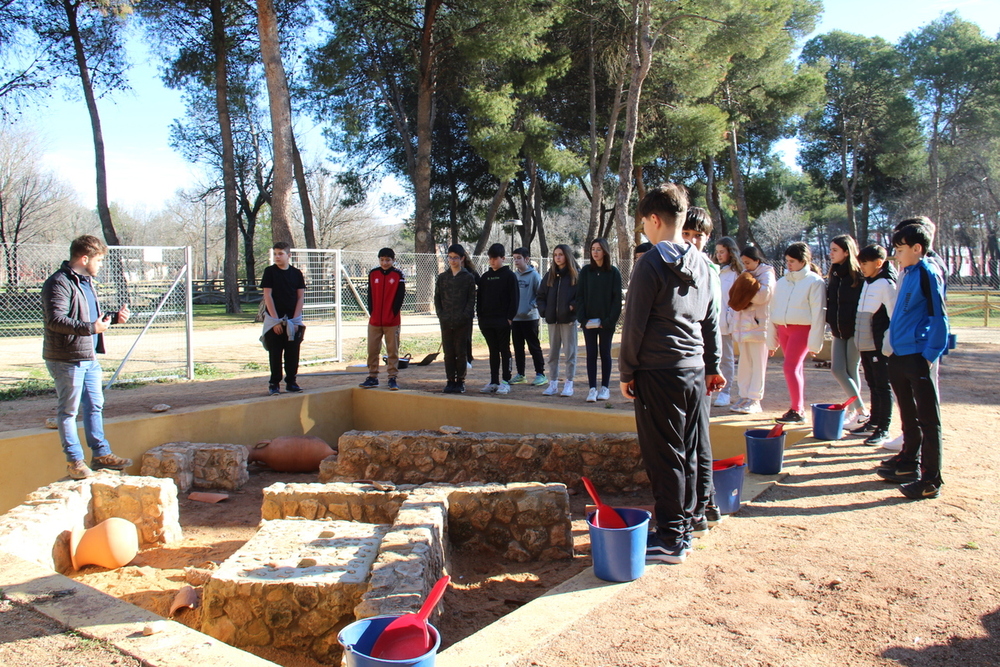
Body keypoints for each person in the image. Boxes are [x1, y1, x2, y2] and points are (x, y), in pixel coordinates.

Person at [619, 183, 723, 563]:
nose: (642, 231)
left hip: (658, 370)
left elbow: (634, 325)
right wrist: (713, 365)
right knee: (690, 449)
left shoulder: (650, 263)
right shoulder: (702, 263)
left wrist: (627, 370)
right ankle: (687, 524)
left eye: (642, 223)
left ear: (654, 219)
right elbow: (711, 321)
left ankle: (671, 538)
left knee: (665, 455)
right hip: (693, 369)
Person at [42, 235, 134, 479]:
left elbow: (89, 315)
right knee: (69, 411)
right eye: (99, 260)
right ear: (85, 258)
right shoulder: (58, 283)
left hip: (88, 356)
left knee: (94, 405)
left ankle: (101, 454)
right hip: (66, 359)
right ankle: (75, 462)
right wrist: (91, 329)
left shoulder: (86, 282)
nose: (101, 264)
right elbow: (56, 320)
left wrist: (113, 318)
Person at [876, 224, 949, 499]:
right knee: (907, 413)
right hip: (899, 354)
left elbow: (938, 316)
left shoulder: (928, 272)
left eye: (900, 249)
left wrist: (929, 354)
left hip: (917, 355)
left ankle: (931, 479)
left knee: (928, 419)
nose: (896, 255)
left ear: (917, 249)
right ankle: (908, 464)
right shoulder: (907, 273)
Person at [766, 242, 826, 424]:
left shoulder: (815, 282)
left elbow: (818, 312)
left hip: (802, 330)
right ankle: (796, 407)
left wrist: (815, 343)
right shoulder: (782, 282)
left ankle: (797, 410)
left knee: (789, 367)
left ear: (803, 261)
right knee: (795, 368)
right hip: (783, 328)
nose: (788, 265)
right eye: (787, 261)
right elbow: (772, 309)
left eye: (792, 261)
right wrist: (772, 339)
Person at [854, 244, 897, 445]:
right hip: (865, 343)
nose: (861, 266)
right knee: (872, 384)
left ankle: (884, 427)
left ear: (878, 263)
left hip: (879, 345)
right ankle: (874, 421)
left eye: (864, 263)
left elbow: (893, 316)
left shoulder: (886, 284)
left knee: (882, 386)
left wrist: (887, 344)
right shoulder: (868, 282)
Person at [827, 235, 868, 429]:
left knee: (850, 370)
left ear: (846, 251)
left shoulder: (858, 276)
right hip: (837, 330)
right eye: (831, 249)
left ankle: (859, 412)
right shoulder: (833, 274)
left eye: (835, 250)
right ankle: (858, 411)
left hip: (854, 331)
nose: (831, 253)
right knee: (838, 369)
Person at [576, 238, 623, 402]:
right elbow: (579, 296)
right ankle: (592, 389)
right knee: (591, 354)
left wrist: (608, 321)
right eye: (593, 249)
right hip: (588, 323)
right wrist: (582, 318)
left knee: (605, 353)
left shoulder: (613, 272)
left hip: (606, 323)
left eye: (598, 249)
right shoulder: (585, 271)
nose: (595, 252)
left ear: (605, 251)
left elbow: (617, 300)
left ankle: (605, 388)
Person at [730, 245, 774, 414]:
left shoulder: (767, 273)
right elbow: (735, 296)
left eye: (748, 262)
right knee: (745, 363)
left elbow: (764, 296)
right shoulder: (744, 274)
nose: (745, 266)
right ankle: (744, 395)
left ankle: (755, 399)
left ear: (757, 260)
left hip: (759, 327)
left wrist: (746, 291)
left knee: (758, 364)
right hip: (743, 328)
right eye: (743, 263)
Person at [261, 241, 306, 395]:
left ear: (289, 255)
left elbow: (300, 297)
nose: (277, 257)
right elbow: (268, 295)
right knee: (275, 352)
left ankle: (291, 382)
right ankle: (274, 384)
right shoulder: (270, 272)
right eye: (275, 254)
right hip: (275, 319)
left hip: (293, 320)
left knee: (292, 352)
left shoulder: (296, 273)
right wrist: (275, 321)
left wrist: (294, 320)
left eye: (280, 254)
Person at [359, 248, 405, 391]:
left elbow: (400, 297)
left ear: (393, 260)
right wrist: (372, 313)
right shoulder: (373, 274)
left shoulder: (398, 274)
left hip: (391, 320)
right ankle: (372, 376)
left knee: (392, 350)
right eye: (382, 260)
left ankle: (392, 377)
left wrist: (393, 313)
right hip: (375, 321)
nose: (385, 263)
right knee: (372, 350)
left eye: (388, 260)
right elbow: (370, 295)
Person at [536, 244, 579, 397]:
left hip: (568, 320)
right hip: (552, 321)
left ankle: (569, 384)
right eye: (555, 255)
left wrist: (573, 307)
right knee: (553, 354)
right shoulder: (550, 276)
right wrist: (544, 311)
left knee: (570, 354)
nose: (558, 257)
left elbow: (581, 296)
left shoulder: (575, 275)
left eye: (560, 254)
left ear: (567, 255)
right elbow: (540, 296)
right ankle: (552, 383)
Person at [435, 244, 477, 394]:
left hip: (462, 322)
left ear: (462, 258)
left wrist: (465, 315)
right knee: (449, 352)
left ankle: (460, 381)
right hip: (446, 321)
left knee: (461, 352)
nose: (452, 261)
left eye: (456, 258)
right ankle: (450, 380)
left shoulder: (468, 278)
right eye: (450, 257)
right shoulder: (442, 278)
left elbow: (471, 300)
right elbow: (437, 298)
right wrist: (441, 314)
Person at [477, 243, 518, 394]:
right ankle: (494, 381)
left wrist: (509, 318)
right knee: (493, 351)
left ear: (503, 258)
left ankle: (505, 380)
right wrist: (480, 318)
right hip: (487, 322)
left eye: (495, 258)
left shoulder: (509, 276)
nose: (492, 261)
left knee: (504, 350)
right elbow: (479, 299)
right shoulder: (485, 277)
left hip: (503, 322)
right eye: (490, 258)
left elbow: (515, 299)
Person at [510, 247, 547, 387]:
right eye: (514, 258)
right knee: (518, 347)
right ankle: (520, 374)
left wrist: (530, 306)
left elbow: (540, 296)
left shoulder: (534, 276)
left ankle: (540, 374)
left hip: (530, 318)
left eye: (519, 258)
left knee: (534, 346)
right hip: (516, 319)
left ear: (527, 259)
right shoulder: (513, 276)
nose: (516, 261)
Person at [714, 237, 743, 407]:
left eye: (722, 251)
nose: (719, 255)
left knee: (726, 359)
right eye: (717, 252)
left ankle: (725, 392)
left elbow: (735, 301)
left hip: (726, 324)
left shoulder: (736, 274)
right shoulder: (715, 271)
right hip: (710, 323)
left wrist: (730, 319)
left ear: (730, 252)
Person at [462, 254, 480, 370]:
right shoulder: (449, 273)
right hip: (453, 309)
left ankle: (468, 358)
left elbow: (482, 285)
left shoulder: (471, 272)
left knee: (466, 335)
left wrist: (474, 293)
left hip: (467, 309)